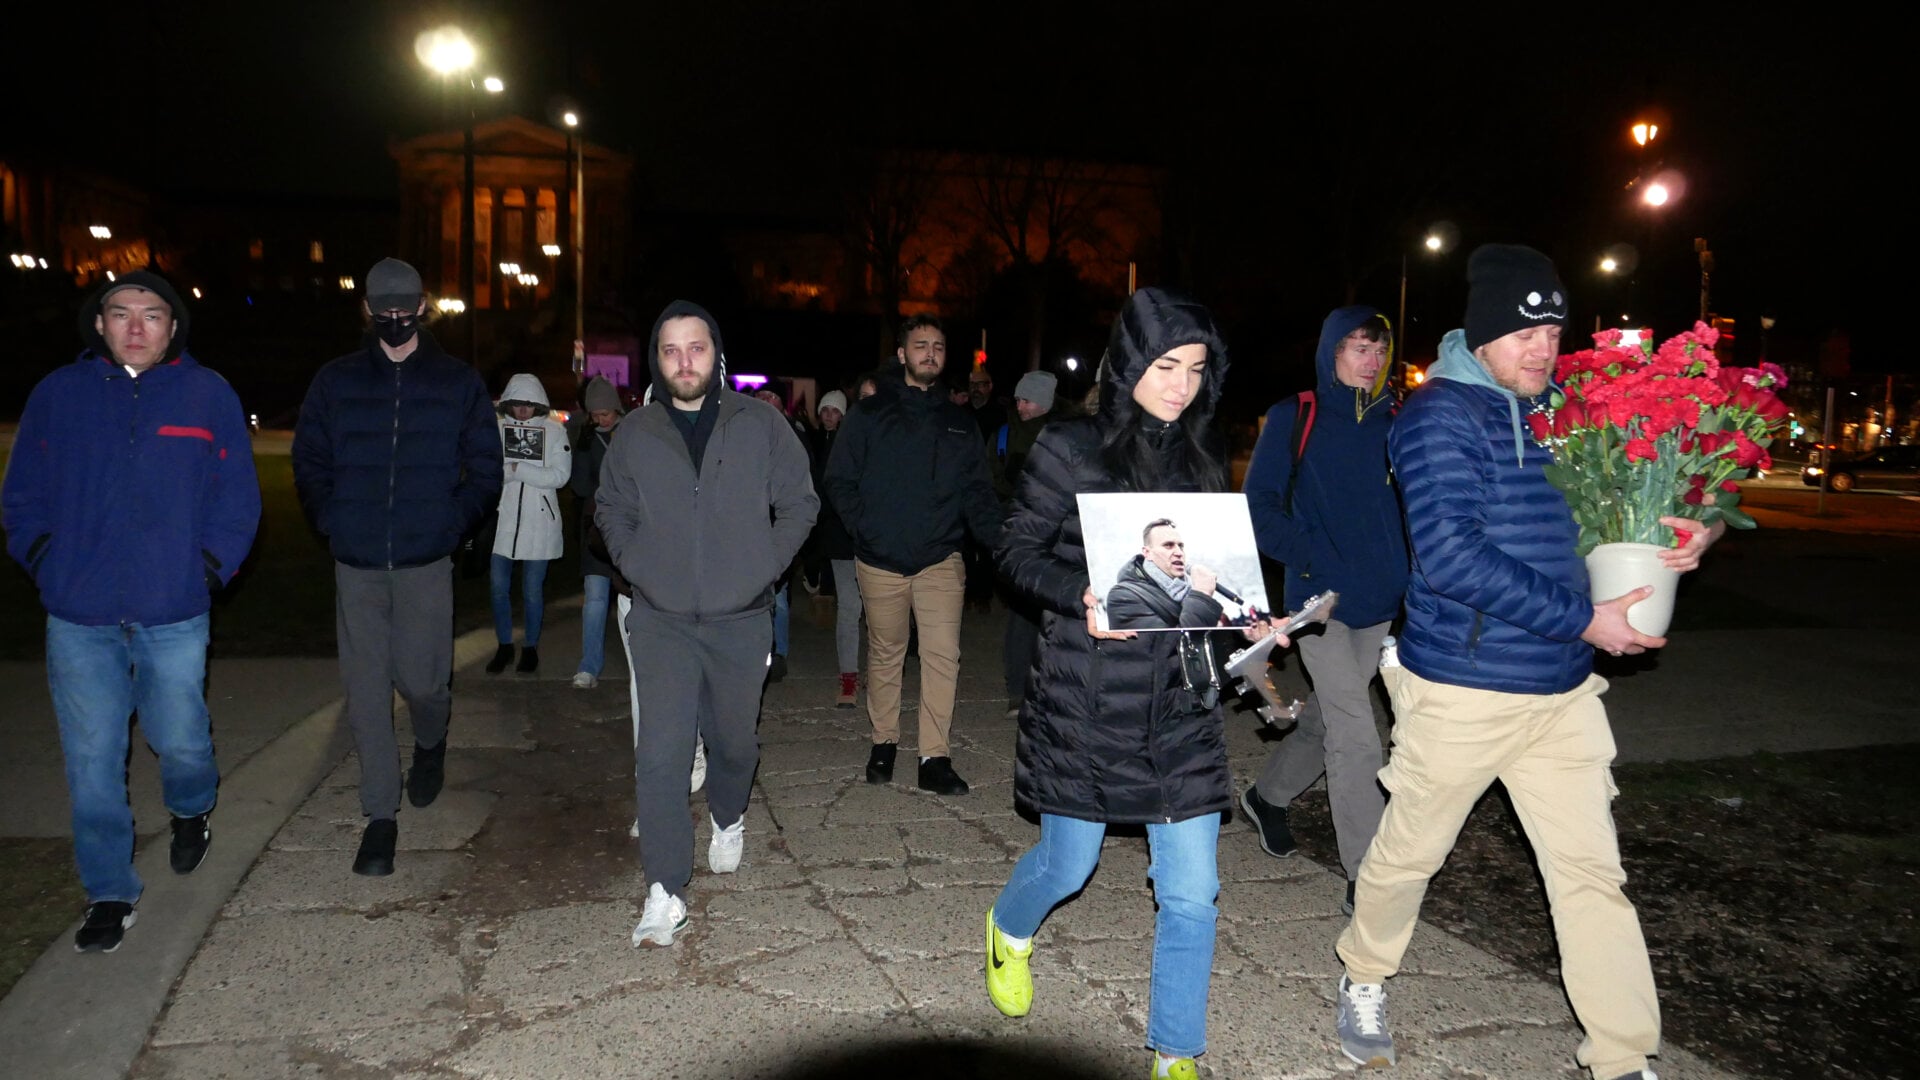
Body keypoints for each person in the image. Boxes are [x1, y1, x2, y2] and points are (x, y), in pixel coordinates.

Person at [1333, 245, 1720, 1080]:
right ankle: (1363, 974)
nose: (1543, 348)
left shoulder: (1567, 413)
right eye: (1524, 332)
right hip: (1462, 689)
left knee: (1591, 876)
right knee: (1410, 854)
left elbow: (1652, 490)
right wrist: (1587, 621)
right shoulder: (1438, 416)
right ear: (1482, 334)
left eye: (1553, 330)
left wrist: (1697, 529)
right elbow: (1451, 559)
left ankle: (1622, 1057)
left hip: (1563, 690)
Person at [986, 287, 1282, 1080]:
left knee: (1192, 890)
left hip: (1179, 702)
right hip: (1088, 696)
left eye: (1196, 369)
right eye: (1166, 365)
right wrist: (1077, 596)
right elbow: (1013, 552)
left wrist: (1251, 618)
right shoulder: (1069, 445)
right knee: (1068, 866)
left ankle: (1176, 1051)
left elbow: (1209, 575)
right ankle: (1008, 929)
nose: (1181, 385)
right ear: (1127, 363)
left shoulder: (1203, 456)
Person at [3, 271, 261, 953]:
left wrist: (205, 571)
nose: (137, 327)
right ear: (100, 323)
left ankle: (190, 808)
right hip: (79, 618)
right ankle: (110, 892)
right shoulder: (59, 395)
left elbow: (238, 499)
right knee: (92, 763)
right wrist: (50, 562)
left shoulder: (208, 394)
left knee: (182, 743)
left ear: (174, 326)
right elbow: (22, 496)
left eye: (152, 314)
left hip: (173, 611)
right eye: (122, 314)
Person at [596, 300, 816, 948]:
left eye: (696, 348)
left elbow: (800, 504)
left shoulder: (760, 424)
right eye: (671, 350)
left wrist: (762, 568)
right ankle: (664, 891)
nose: (684, 361)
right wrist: (639, 567)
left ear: (715, 353)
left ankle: (728, 813)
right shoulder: (636, 432)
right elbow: (610, 508)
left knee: (734, 743)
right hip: (661, 618)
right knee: (660, 755)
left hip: (739, 619)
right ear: (657, 361)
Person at [292, 257, 502, 877]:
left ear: (422, 306)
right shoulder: (335, 381)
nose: (393, 319)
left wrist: (451, 523)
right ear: (366, 309)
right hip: (356, 560)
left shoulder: (457, 381)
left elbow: (484, 467)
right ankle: (380, 816)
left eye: (403, 309)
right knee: (365, 691)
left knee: (424, 683)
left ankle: (431, 741)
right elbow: (310, 458)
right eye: (381, 309)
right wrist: (330, 518)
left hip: (424, 560)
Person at [1240, 306, 1408, 914]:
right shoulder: (1298, 414)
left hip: (1381, 599)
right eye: (1358, 347)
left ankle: (1267, 796)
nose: (1370, 360)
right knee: (1359, 735)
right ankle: (1369, 877)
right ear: (1332, 350)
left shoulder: (1399, 418)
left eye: (1378, 350)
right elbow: (1259, 505)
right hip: (1319, 604)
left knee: (1332, 718)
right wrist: (1312, 556)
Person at [824, 315, 1003, 795]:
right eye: (921, 345)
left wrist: (1003, 544)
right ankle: (883, 742)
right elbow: (839, 479)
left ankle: (934, 757)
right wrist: (866, 528)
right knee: (887, 654)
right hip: (880, 558)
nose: (930, 353)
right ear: (902, 354)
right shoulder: (869, 414)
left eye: (938, 346)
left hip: (940, 558)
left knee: (943, 656)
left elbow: (978, 492)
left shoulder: (959, 422)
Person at [486, 373, 571, 675]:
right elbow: (487, 472)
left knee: (532, 590)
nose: (522, 410)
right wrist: (511, 471)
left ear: (539, 404)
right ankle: (504, 645)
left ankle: (530, 647)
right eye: (517, 404)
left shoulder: (554, 431)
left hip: (539, 522)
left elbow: (560, 476)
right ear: (508, 403)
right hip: (504, 520)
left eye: (529, 404)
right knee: (498, 587)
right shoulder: (497, 430)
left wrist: (517, 468)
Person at [992, 370, 1057, 715]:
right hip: (1019, 535)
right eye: (1017, 399)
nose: (1020, 406)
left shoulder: (1061, 436)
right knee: (1021, 617)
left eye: (1027, 400)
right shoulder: (1003, 435)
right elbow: (988, 482)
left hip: (1056, 537)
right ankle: (1018, 689)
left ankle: (1050, 689)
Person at [568, 376, 625, 689]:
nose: (601, 419)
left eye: (606, 412)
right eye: (595, 414)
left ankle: (644, 663)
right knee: (595, 598)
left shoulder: (633, 431)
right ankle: (589, 666)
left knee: (635, 600)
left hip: (630, 527)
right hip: (596, 528)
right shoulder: (586, 438)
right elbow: (579, 486)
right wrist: (582, 449)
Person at [809, 389, 862, 708]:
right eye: (825, 410)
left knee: (876, 610)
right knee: (850, 608)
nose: (829, 416)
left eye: (835, 411)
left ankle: (880, 673)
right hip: (839, 540)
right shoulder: (819, 443)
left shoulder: (853, 443)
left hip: (865, 538)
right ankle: (849, 676)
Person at [1103, 519, 1226, 630]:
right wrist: (1202, 595)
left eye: (1181, 546)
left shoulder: (1189, 592)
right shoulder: (1123, 597)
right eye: (1168, 545)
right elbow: (1174, 644)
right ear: (1147, 553)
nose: (1179, 552)